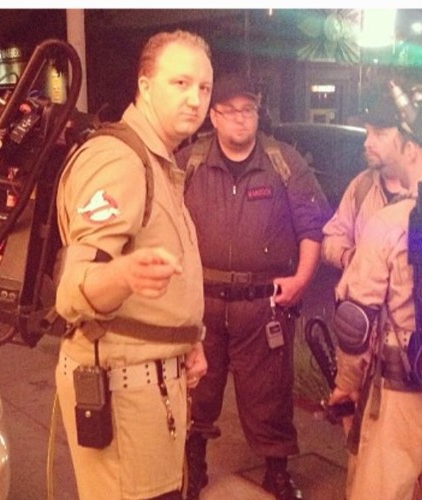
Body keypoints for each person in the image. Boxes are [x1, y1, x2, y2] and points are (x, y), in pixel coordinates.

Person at [54, 29, 212, 500]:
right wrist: (122, 274)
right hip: (124, 395)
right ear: (144, 86)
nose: (195, 100)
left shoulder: (157, 162)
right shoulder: (119, 160)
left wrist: (189, 339)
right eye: (180, 83)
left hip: (153, 391)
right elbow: (73, 289)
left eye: (204, 87)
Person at [176, 72, 331, 500]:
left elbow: (313, 227)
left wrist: (302, 280)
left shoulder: (284, 162)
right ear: (213, 116)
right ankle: (192, 463)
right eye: (230, 111)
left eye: (248, 109)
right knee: (196, 389)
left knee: (270, 394)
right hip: (202, 304)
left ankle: (276, 471)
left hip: (263, 306)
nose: (241, 118)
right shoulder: (189, 162)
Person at [328, 80, 422, 500]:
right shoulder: (366, 192)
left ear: (411, 148)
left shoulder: (390, 223)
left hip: (402, 396)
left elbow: (355, 327)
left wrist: (346, 386)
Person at [322, 86, 403, 271]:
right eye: (368, 133)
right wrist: (348, 257)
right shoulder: (362, 184)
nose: (367, 143)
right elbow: (333, 237)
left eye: (379, 134)